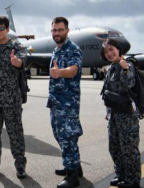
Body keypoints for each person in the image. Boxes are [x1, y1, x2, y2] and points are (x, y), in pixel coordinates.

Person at [0, 16, 27, 179]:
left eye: (1, 28)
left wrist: (17, 62)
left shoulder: (17, 46)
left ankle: (20, 167)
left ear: (8, 29)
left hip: (12, 100)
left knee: (15, 135)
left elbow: (22, 62)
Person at [47, 17, 83, 188]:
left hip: (68, 103)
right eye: (54, 30)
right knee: (60, 135)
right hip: (56, 101)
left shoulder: (73, 49)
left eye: (60, 30)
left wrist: (60, 72)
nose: (57, 33)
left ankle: (72, 176)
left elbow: (73, 70)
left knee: (68, 137)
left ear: (67, 31)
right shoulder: (57, 50)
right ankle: (76, 166)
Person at [101, 38, 141, 188]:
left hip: (127, 116)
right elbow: (111, 93)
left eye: (112, 49)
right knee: (115, 147)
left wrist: (124, 70)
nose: (109, 53)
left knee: (129, 150)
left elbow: (127, 86)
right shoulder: (110, 68)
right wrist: (108, 111)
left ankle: (132, 181)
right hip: (114, 116)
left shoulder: (127, 65)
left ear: (118, 50)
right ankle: (121, 175)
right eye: (106, 52)